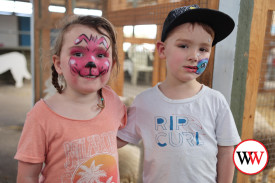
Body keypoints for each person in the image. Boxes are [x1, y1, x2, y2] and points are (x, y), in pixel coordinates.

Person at [117, 4, 241, 183]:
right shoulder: (144, 102)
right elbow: (117, 141)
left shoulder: (215, 101)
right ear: (162, 50)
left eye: (203, 49)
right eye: (183, 46)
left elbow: (226, 151)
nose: (194, 56)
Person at [15, 15, 127, 183]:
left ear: (113, 63)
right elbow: (27, 176)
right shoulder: (41, 116)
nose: (91, 62)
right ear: (58, 64)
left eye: (101, 54)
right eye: (79, 53)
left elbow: (119, 137)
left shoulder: (113, 101)